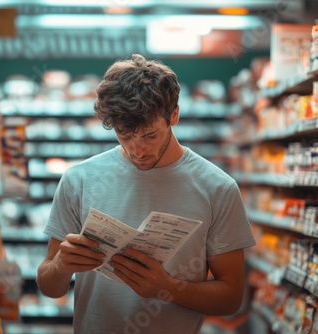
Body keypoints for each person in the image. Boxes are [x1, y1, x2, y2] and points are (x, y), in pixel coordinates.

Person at [37, 54, 256, 334]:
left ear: (174, 115)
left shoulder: (217, 188)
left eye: (149, 135)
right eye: (124, 135)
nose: (137, 150)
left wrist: (168, 289)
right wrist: (60, 266)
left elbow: (232, 297)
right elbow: (49, 287)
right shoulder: (78, 179)